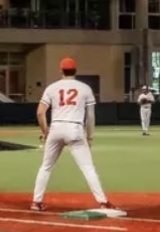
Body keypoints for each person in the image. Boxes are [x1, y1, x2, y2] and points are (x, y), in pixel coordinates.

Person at [32, 57, 122, 214]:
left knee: (46, 167)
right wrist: (90, 137)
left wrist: (45, 132)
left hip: (56, 127)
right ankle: (103, 201)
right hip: (75, 128)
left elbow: (40, 112)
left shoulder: (52, 88)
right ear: (75, 70)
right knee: (88, 167)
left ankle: (36, 202)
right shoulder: (85, 88)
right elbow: (90, 116)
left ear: (61, 70)